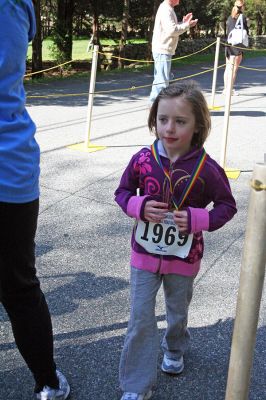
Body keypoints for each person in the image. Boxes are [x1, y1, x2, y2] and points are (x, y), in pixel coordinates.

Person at [115, 80, 237, 400]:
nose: (169, 128)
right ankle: (136, 386)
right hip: (143, 253)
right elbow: (123, 192)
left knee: (177, 311)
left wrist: (201, 219)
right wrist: (137, 206)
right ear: (154, 119)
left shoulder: (207, 169)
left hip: (185, 257)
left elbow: (227, 205)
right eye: (162, 119)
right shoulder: (142, 159)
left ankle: (175, 346)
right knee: (140, 317)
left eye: (180, 121)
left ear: (197, 126)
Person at [0, 1, 70, 399]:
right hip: (10, 162)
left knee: (18, 284)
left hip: (8, 164)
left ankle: (48, 380)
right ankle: (48, 382)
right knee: (19, 285)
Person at [149, 0, 198, 104]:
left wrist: (184, 23)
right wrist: (187, 25)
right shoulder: (166, 9)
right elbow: (172, 30)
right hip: (163, 50)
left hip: (163, 50)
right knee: (162, 82)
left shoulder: (167, 8)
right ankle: (155, 108)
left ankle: (154, 107)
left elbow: (172, 27)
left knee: (161, 80)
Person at [223, 0, 249, 96]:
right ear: (242, 7)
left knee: (228, 68)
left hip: (229, 44)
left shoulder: (230, 17)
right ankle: (230, 90)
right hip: (237, 46)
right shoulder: (243, 18)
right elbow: (246, 32)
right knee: (234, 69)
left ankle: (226, 89)